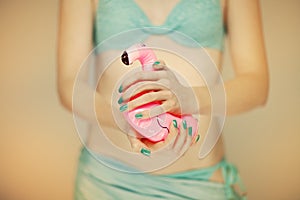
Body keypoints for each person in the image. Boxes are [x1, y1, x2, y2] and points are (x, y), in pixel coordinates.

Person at [57, 0, 269, 199]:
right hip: (105, 183)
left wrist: (191, 98)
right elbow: (69, 84)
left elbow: (257, 85)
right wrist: (119, 118)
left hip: (198, 185)